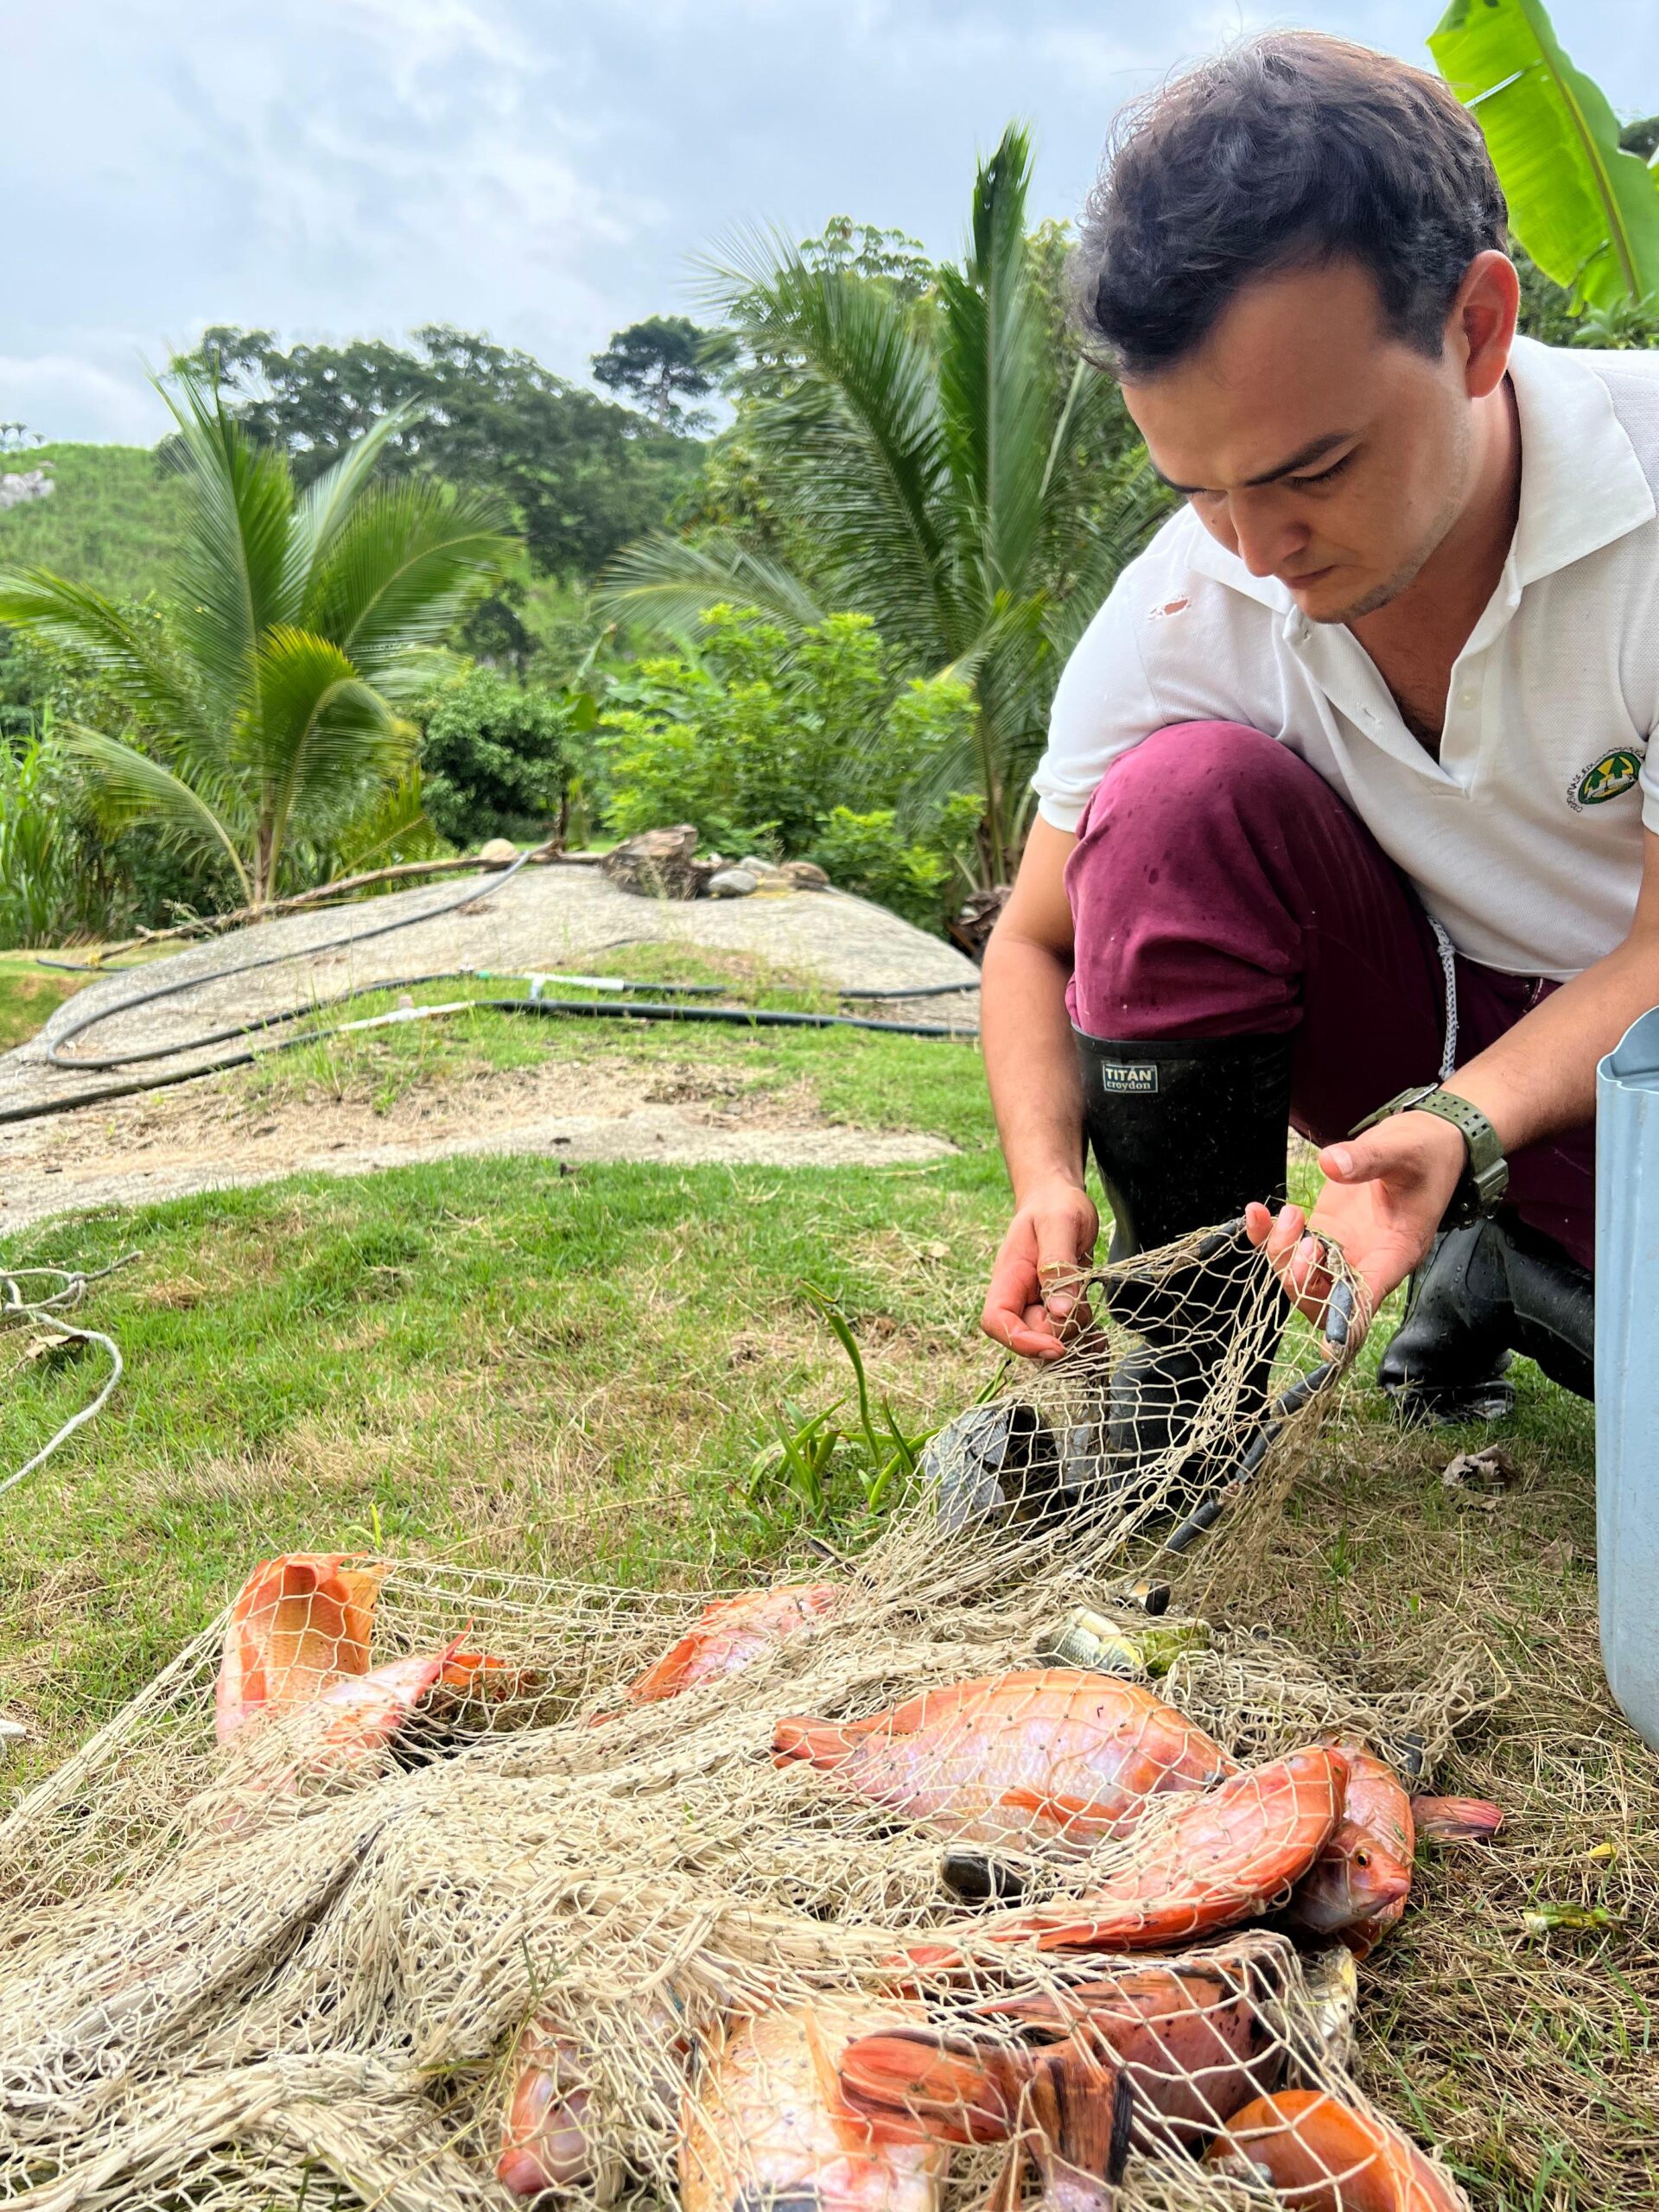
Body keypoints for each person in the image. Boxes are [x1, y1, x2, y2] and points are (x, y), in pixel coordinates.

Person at [979, 31, 1659, 1421]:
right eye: (1198, 486)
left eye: (1318, 467)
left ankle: (1509, 1261)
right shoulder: (1193, 591)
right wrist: (1047, 1177)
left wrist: (1461, 1125)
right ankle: (1189, 1392)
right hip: (1425, 1027)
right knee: (1173, 804)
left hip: (1626, 1064)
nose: (1258, 546)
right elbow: (1033, 938)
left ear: (1477, 328)